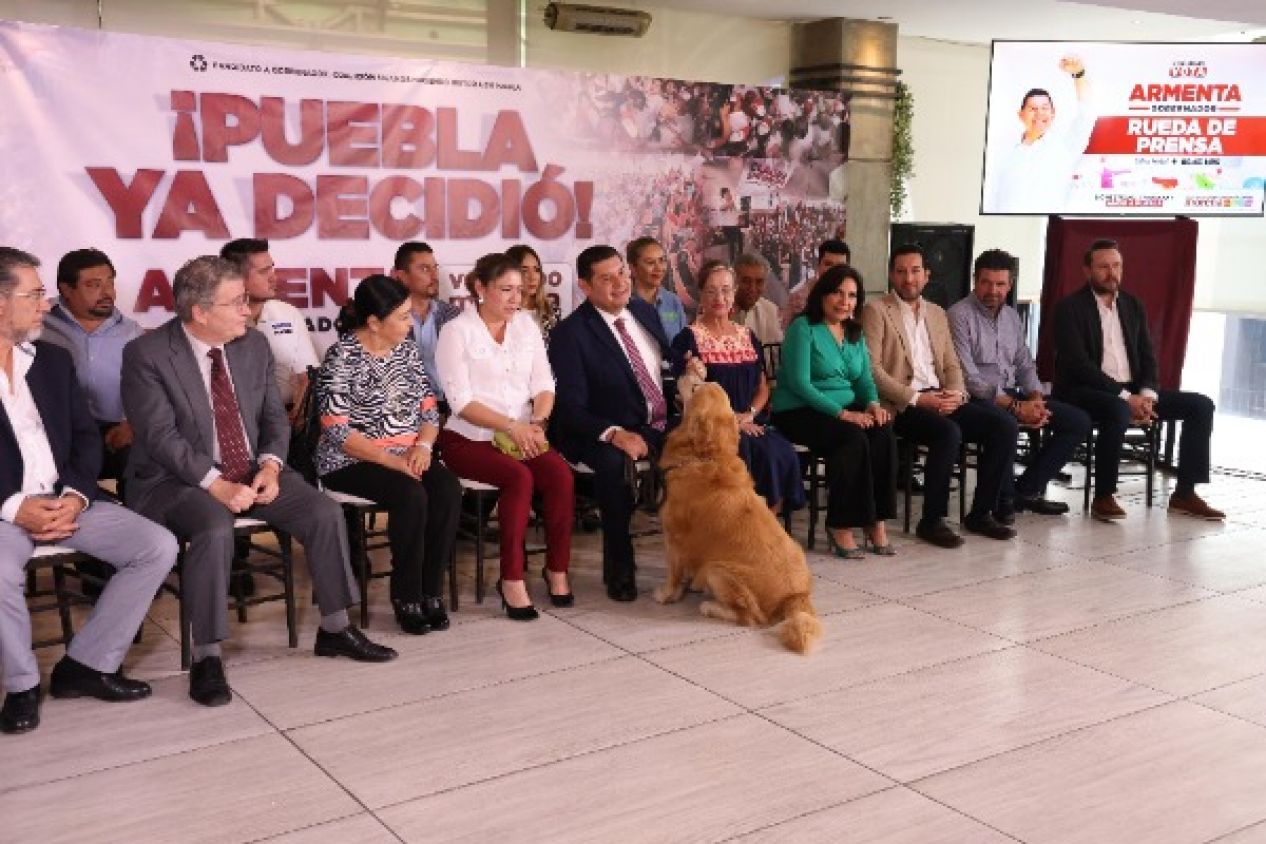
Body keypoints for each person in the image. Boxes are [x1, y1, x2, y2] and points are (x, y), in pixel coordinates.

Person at [122, 256, 396, 708]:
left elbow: (273, 418)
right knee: (213, 526)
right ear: (200, 312)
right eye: (237, 303)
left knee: (323, 512)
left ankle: (335, 628)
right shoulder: (147, 354)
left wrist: (269, 467)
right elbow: (160, 439)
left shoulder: (252, 346)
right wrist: (216, 484)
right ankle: (208, 656)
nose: (247, 311)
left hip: (250, 468)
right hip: (174, 480)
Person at [0, 247, 176, 735]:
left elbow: (83, 438)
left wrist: (76, 496)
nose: (44, 304)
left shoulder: (51, 360)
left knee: (156, 545)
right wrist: (16, 507)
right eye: (34, 294)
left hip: (66, 499)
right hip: (6, 511)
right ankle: (20, 686)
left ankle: (87, 664)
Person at [316, 275, 461, 635]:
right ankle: (406, 596)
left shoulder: (407, 351)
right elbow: (338, 431)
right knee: (410, 495)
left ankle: (431, 592)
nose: (409, 323)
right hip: (351, 460)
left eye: (409, 314)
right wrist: (394, 461)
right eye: (401, 317)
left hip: (409, 452)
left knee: (446, 489)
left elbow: (429, 411)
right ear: (374, 323)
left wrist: (423, 446)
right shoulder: (342, 356)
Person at [436, 253, 574, 620]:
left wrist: (538, 423)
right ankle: (511, 578)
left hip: (523, 435)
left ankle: (556, 568)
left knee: (560, 475)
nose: (516, 298)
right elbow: (460, 402)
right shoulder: (456, 332)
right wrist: (513, 426)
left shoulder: (526, 325)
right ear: (480, 288)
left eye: (519, 290)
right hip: (469, 439)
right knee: (519, 477)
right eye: (505, 290)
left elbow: (544, 383)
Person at [1053, 239, 1222, 521]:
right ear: (1087, 270)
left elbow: (1148, 357)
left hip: (1132, 391)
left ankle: (1184, 494)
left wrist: (1147, 396)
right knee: (1117, 409)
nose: (1112, 273)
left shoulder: (1132, 305)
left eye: (1117, 266)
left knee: (1201, 406)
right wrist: (1126, 399)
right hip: (1085, 390)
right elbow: (1079, 366)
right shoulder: (1069, 308)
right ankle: (1104, 496)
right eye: (1103, 267)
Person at [861, 245, 1019, 548]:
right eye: (901, 271)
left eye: (915, 271)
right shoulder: (876, 311)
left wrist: (956, 394)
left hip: (942, 397)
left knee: (1004, 425)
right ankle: (931, 520)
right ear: (892, 275)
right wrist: (919, 400)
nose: (909, 278)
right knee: (948, 433)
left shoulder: (937, 313)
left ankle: (981, 512)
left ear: (926, 275)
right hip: (903, 404)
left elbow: (951, 364)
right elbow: (873, 370)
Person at [550, 245, 672, 602]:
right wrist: (614, 433)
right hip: (595, 429)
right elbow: (569, 409)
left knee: (715, 449)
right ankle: (619, 569)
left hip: (654, 422)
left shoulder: (643, 312)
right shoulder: (570, 335)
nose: (620, 282)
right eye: (607, 278)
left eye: (621, 272)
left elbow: (664, 369)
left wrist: (687, 369)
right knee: (615, 466)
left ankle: (699, 560)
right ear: (585, 287)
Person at [948, 249, 1091, 520]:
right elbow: (969, 379)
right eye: (986, 282)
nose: (993, 290)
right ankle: (1003, 501)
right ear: (974, 280)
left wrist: (1035, 397)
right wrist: (1016, 407)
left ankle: (1024, 492)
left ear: (1010, 285)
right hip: (978, 398)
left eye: (1000, 284)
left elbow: (1025, 363)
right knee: (1007, 423)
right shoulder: (959, 315)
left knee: (1078, 421)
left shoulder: (1012, 317)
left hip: (1014, 394)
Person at [772, 265, 896, 557]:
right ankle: (840, 524)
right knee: (851, 438)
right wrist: (844, 414)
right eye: (838, 293)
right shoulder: (803, 328)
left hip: (842, 408)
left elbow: (864, 379)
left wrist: (873, 404)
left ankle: (874, 519)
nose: (844, 301)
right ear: (823, 295)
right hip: (799, 410)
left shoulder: (854, 332)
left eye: (852, 296)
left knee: (882, 432)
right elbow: (801, 384)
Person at [671, 260, 804, 515]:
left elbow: (762, 387)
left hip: (750, 421)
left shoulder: (747, 335)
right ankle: (738, 530)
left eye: (725, 290)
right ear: (701, 294)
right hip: (711, 426)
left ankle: (766, 527)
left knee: (779, 451)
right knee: (745, 451)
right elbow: (689, 398)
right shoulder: (688, 338)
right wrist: (731, 421)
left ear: (733, 294)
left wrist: (750, 414)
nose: (719, 297)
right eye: (711, 290)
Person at [41, 248, 143, 487]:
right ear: (67, 289)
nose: (107, 292)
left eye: (110, 282)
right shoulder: (41, 323)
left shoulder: (132, 333)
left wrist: (133, 423)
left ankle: (137, 522)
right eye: (94, 285)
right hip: (55, 432)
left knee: (139, 461)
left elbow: (150, 387)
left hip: (113, 433)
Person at [219, 238, 319, 425]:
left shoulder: (288, 313)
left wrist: (298, 418)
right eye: (264, 272)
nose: (274, 277)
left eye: (272, 268)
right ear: (236, 277)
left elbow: (307, 376)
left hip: (287, 420)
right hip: (232, 424)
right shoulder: (216, 319)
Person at [987, 55, 1095, 213]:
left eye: (1044, 108)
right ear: (1020, 114)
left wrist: (1079, 75)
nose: (1039, 114)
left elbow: (1087, 114)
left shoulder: (1065, 147)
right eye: (1033, 109)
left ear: (1053, 113)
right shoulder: (1001, 150)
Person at [392, 241, 461, 404]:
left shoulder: (453, 315)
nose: (434, 275)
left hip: (452, 407)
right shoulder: (389, 320)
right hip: (406, 410)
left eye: (435, 268)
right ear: (402, 276)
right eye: (424, 269)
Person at [780, 239, 850, 330]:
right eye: (828, 264)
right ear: (818, 265)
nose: (834, 271)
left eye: (840, 266)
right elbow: (789, 335)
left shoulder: (852, 298)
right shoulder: (799, 299)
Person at [628, 236, 688, 342]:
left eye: (662, 260)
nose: (659, 268)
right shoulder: (623, 303)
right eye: (650, 262)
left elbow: (684, 343)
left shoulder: (673, 301)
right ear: (633, 268)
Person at [506, 243, 561, 344]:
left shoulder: (551, 310)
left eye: (537, 270)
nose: (533, 277)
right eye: (524, 270)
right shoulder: (503, 311)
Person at [731, 252, 783, 346]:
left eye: (759, 282)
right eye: (746, 281)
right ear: (734, 280)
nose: (752, 288)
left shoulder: (770, 311)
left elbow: (774, 355)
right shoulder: (717, 310)